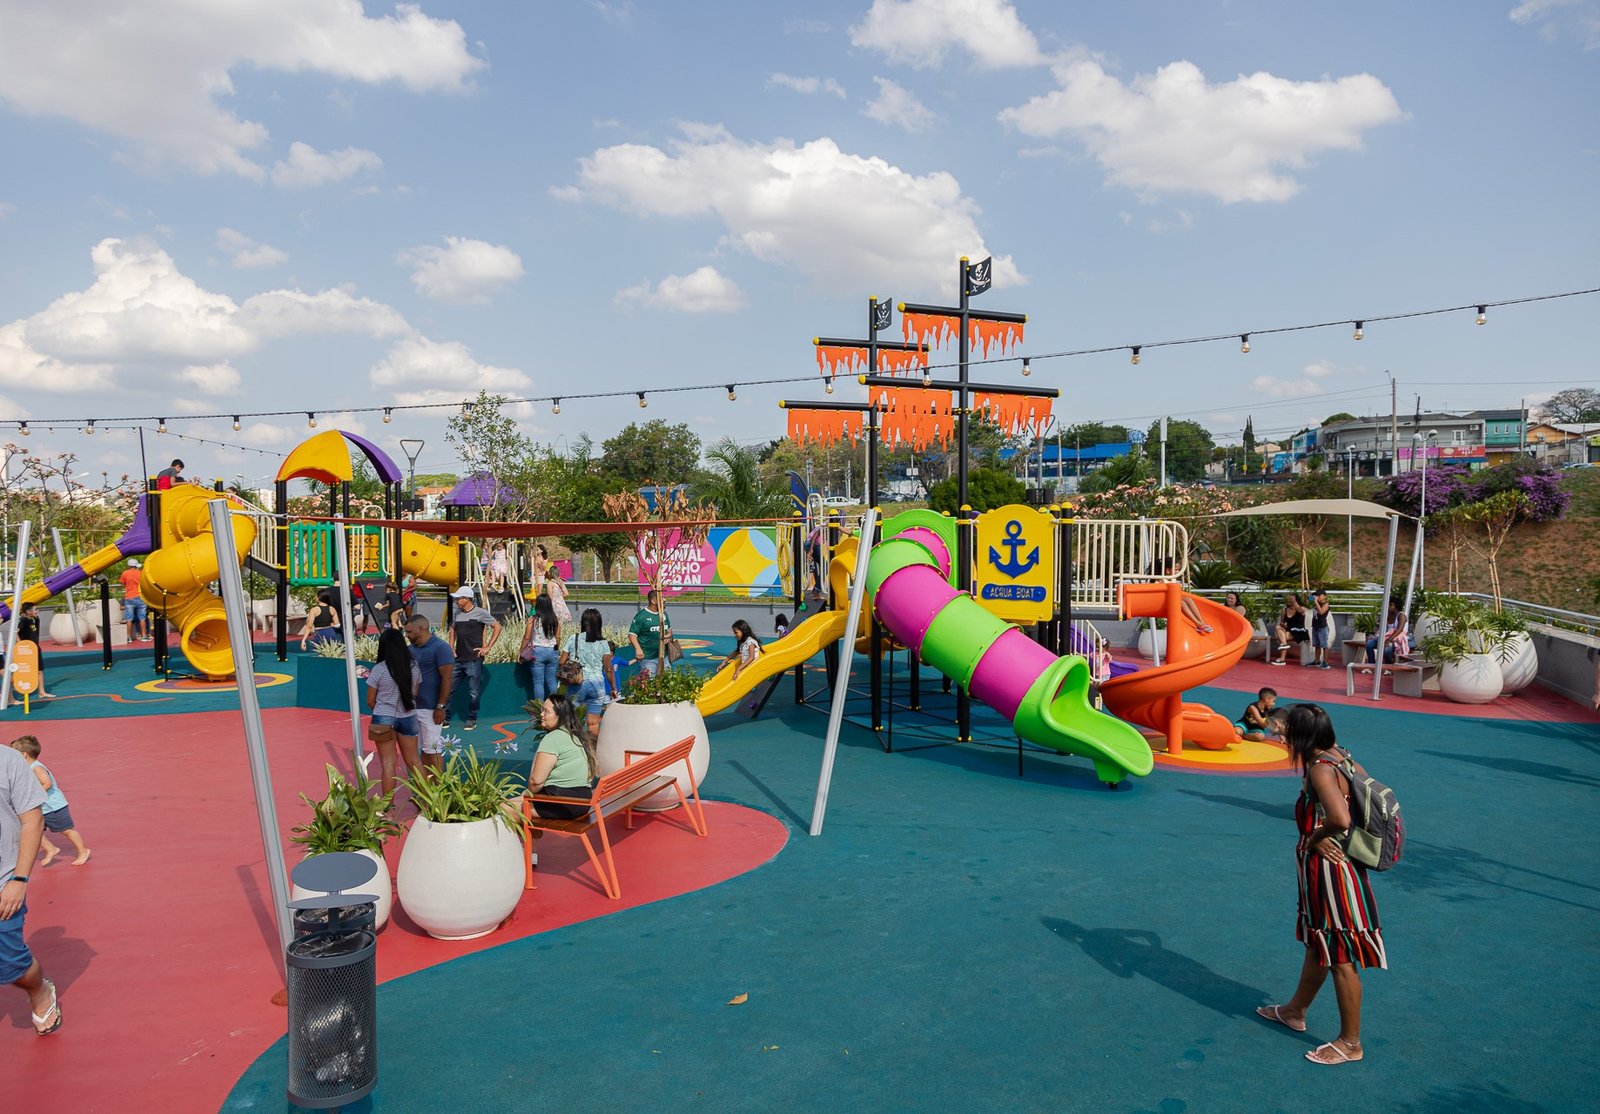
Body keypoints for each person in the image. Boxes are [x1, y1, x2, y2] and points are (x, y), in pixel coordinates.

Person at [1257, 703, 1386, 1065]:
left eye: (1286, 731)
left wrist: (1315, 838)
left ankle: (1350, 1043)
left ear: (1301, 736)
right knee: (1320, 943)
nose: (1280, 736)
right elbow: (1364, 794)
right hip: (1332, 870)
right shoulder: (1341, 755)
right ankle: (1295, 1010)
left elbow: (1341, 817)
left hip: (1331, 873)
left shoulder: (1320, 768)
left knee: (1341, 956)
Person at [1, 742, 58, 1034]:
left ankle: (38, 989)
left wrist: (19, 880)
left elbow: (33, 820)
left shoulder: (8, 760)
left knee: (9, 966)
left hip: (3, 882)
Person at [10, 736, 90, 867]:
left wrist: (33, 795)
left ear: (23, 755)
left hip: (54, 806)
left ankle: (83, 851)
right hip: (41, 807)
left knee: (66, 830)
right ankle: (51, 849)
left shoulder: (36, 767)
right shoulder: (26, 769)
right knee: (33, 830)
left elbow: (47, 783)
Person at [524, 693, 598, 821]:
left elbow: (535, 782)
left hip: (561, 803)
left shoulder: (553, 738)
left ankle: (529, 837)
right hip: (582, 802)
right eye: (542, 710)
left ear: (559, 716)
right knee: (516, 805)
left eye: (546, 712)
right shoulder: (575, 736)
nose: (541, 714)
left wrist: (526, 793)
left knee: (504, 807)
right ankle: (533, 833)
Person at [366, 628, 421, 797]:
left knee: (388, 764)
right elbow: (415, 693)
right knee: (413, 761)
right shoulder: (413, 666)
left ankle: (387, 805)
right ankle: (428, 800)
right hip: (408, 716)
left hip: (383, 717)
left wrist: (383, 709)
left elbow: (370, 700)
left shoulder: (379, 669)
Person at [404, 614, 454, 773]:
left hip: (431, 709)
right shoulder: (409, 650)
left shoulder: (441, 648)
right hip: (411, 708)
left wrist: (440, 706)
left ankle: (440, 790)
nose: (407, 635)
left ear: (422, 628)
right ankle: (426, 789)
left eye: (410, 631)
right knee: (421, 750)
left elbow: (447, 678)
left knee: (432, 750)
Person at [448, 586, 500, 732]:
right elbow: (452, 629)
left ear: (467, 599)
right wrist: (451, 647)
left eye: (459, 598)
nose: (457, 601)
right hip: (458, 659)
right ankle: (445, 717)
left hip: (473, 659)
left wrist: (488, 647)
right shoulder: (456, 613)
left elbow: (497, 627)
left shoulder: (481, 613)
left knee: (474, 692)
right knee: (448, 689)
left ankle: (471, 718)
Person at [564, 607, 616, 739]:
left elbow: (561, 660)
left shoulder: (573, 638)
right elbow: (608, 669)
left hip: (577, 684)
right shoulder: (604, 644)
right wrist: (614, 688)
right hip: (597, 685)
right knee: (593, 723)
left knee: (573, 722)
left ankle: (576, 748)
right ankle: (592, 750)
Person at [519, 594, 562, 705]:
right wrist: (556, 647)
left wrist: (521, 651)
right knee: (552, 680)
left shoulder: (533, 619)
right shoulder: (555, 619)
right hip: (552, 650)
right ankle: (555, 707)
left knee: (538, 682)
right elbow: (558, 637)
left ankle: (539, 709)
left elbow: (527, 636)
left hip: (537, 651)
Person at [628, 588, 673, 676]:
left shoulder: (664, 614)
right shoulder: (641, 616)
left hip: (664, 656)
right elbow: (632, 634)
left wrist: (669, 636)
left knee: (668, 681)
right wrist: (638, 649)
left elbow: (669, 630)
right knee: (649, 683)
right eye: (661, 598)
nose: (664, 599)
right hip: (648, 658)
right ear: (653, 601)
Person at [16, 603, 53, 699]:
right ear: (28, 611)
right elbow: (15, 632)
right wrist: (21, 645)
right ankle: (18, 685)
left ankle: (41, 692)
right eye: (35, 609)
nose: (37, 611)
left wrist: (36, 618)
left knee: (40, 670)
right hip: (28, 650)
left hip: (35, 648)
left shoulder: (33, 620)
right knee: (26, 671)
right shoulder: (24, 620)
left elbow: (36, 633)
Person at [1365, 598, 1409, 664]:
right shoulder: (1387, 615)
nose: (1388, 607)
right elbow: (1382, 628)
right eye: (1388, 605)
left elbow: (1400, 629)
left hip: (1396, 639)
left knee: (1387, 649)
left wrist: (1389, 640)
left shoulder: (1401, 615)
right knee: (1369, 644)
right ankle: (1372, 665)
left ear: (1396, 607)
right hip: (1385, 637)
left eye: (1391, 605)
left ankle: (1388, 666)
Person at [1272, 593, 1310, 666]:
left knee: (1283, 638)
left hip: (1300, 631)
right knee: (1278, 628)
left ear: (1296, 600)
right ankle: (1283, 646)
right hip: (1289, 630)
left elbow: (1302, 612)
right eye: (1288, 599)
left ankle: (1282, 659)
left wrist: (1295, 603)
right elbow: (1282, 622)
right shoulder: (1285, 610)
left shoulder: (1301, 608)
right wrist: (1284, 625)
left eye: (1291, 599)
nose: (1289, 600)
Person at [119, 559, 149, 642]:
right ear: (136, 565)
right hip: (140, 597)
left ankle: (128, 637)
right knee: (142, 618)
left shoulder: (125, 573)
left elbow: (122, 584)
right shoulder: (141, 573)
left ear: (129, 565)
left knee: (129, 619)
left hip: (129, 598)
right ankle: (143, 636)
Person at [1310, 588, 1333, 669]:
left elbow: (1321, 612)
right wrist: (1310, 596)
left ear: (1324, 596)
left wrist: (1316, 602)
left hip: (1322, 627)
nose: (1318, 597)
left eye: (1319, 595)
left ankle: (1325, 662)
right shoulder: (1317, 603)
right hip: (1315, 626)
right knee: (1317, 645)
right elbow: (1307, 599)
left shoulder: (1326, 604)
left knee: (1324, 645)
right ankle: (1316, 660)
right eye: (1317, 595)